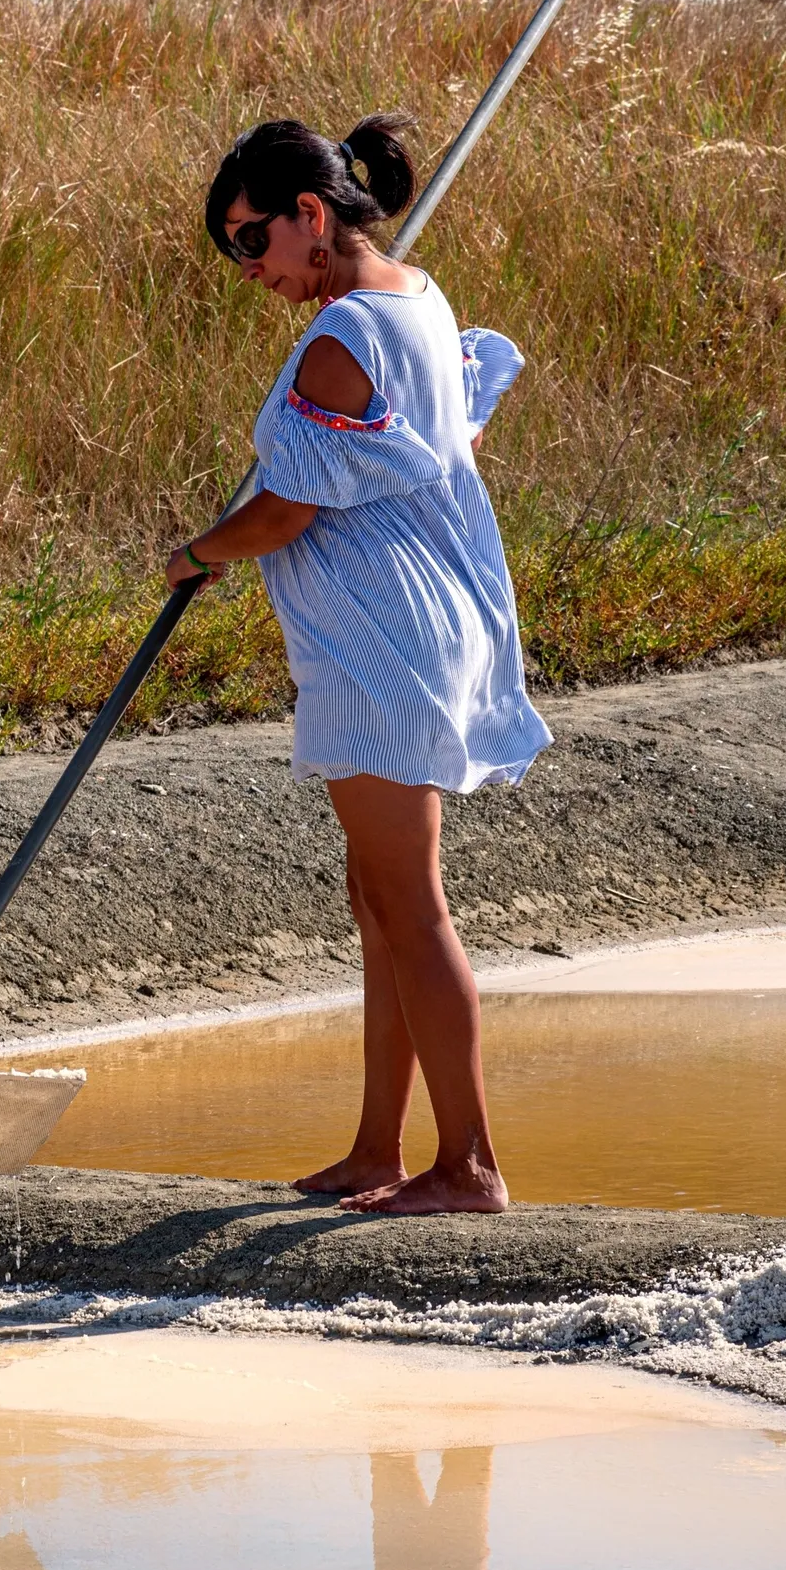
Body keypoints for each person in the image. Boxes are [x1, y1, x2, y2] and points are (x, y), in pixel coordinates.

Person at [166, 115, 551, 1216]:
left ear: (310, 214)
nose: (251, 273)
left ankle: (469, 1164)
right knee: (378, 899)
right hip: (405, 629)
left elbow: (286, 506)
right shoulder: (414, 297)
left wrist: (197, 553)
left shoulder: (341, 341)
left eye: (253, 243)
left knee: (413, 905)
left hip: (388, 649)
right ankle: (380, 1146)